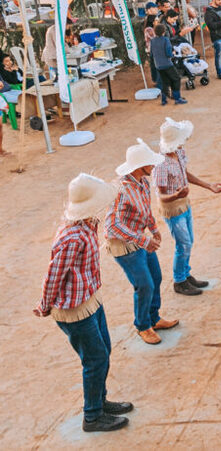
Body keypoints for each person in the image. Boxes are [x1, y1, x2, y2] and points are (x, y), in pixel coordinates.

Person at [33, 173, 133, 433]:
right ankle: (92, 416)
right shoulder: (72, 237)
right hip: (74, 309)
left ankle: (100, 402)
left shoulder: (88, 224)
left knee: (103, 351)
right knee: (95, 358)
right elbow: (54, 275)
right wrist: (44, 305)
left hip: (89, 298)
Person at [105, 139, 180, 345]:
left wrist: (154, 230)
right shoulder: (120, 190)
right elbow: (111, 226)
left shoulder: (143, 183)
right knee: (144, 284)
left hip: (140, 239)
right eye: (150, 163)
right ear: (141, 167)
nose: (154, 165)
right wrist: (143, 239)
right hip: (125, 245)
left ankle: (153, 318)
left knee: (155, 278)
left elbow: (145, 210)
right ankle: (142, 325)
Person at [152, 118, 221, 296]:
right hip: (173, 207)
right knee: (183, 244)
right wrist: (176, 195)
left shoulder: (178, 153)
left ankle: (185, 274)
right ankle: (179, 280)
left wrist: (208, 185)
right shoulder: (160, 164)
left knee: (188, 241)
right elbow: (160, 194)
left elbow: (185, 173)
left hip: (183, 203)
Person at [149, 23, 186, 106]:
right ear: (163, 32)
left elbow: (151, 54)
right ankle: (177, 98)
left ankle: (164, 100)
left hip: (158, 65)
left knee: (164, 82)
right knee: (176, 79)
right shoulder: (166, 40)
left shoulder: (153, 41)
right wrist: (173, 53)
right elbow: (168, 54)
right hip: (167, 64)